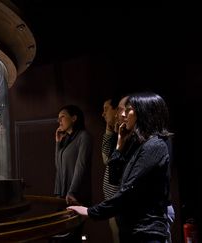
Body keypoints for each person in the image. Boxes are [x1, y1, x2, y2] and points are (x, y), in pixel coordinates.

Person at [67, 92, 173, 243]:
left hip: (145, 231)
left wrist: (91, 212)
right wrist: (120, 145)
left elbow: (129, 190)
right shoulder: (138, 144)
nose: (122, 115)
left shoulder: (155, 145)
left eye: (128, 109)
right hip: (131, 228)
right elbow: (114, 177)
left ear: (143, 113)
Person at [52, 104, 92, 243]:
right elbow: (59, 167)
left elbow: (81, 166)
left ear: (74, 118)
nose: (59, 121)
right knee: (61, 237)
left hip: (75, 196)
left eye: (62, 116)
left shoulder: (83, 136)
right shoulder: (66, 140)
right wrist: (58, 144)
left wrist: (72, 192)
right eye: (58, 118)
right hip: (64, 195)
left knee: (72, 238)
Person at [101, 95, 122, 243]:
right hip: (113, 204)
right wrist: (109, 129)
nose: (103, 114)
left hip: (121, 206)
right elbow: (106, 158)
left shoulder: (125, 134)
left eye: (106, 109)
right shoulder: (115, 133)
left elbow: (106, 159)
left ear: (117, 110)